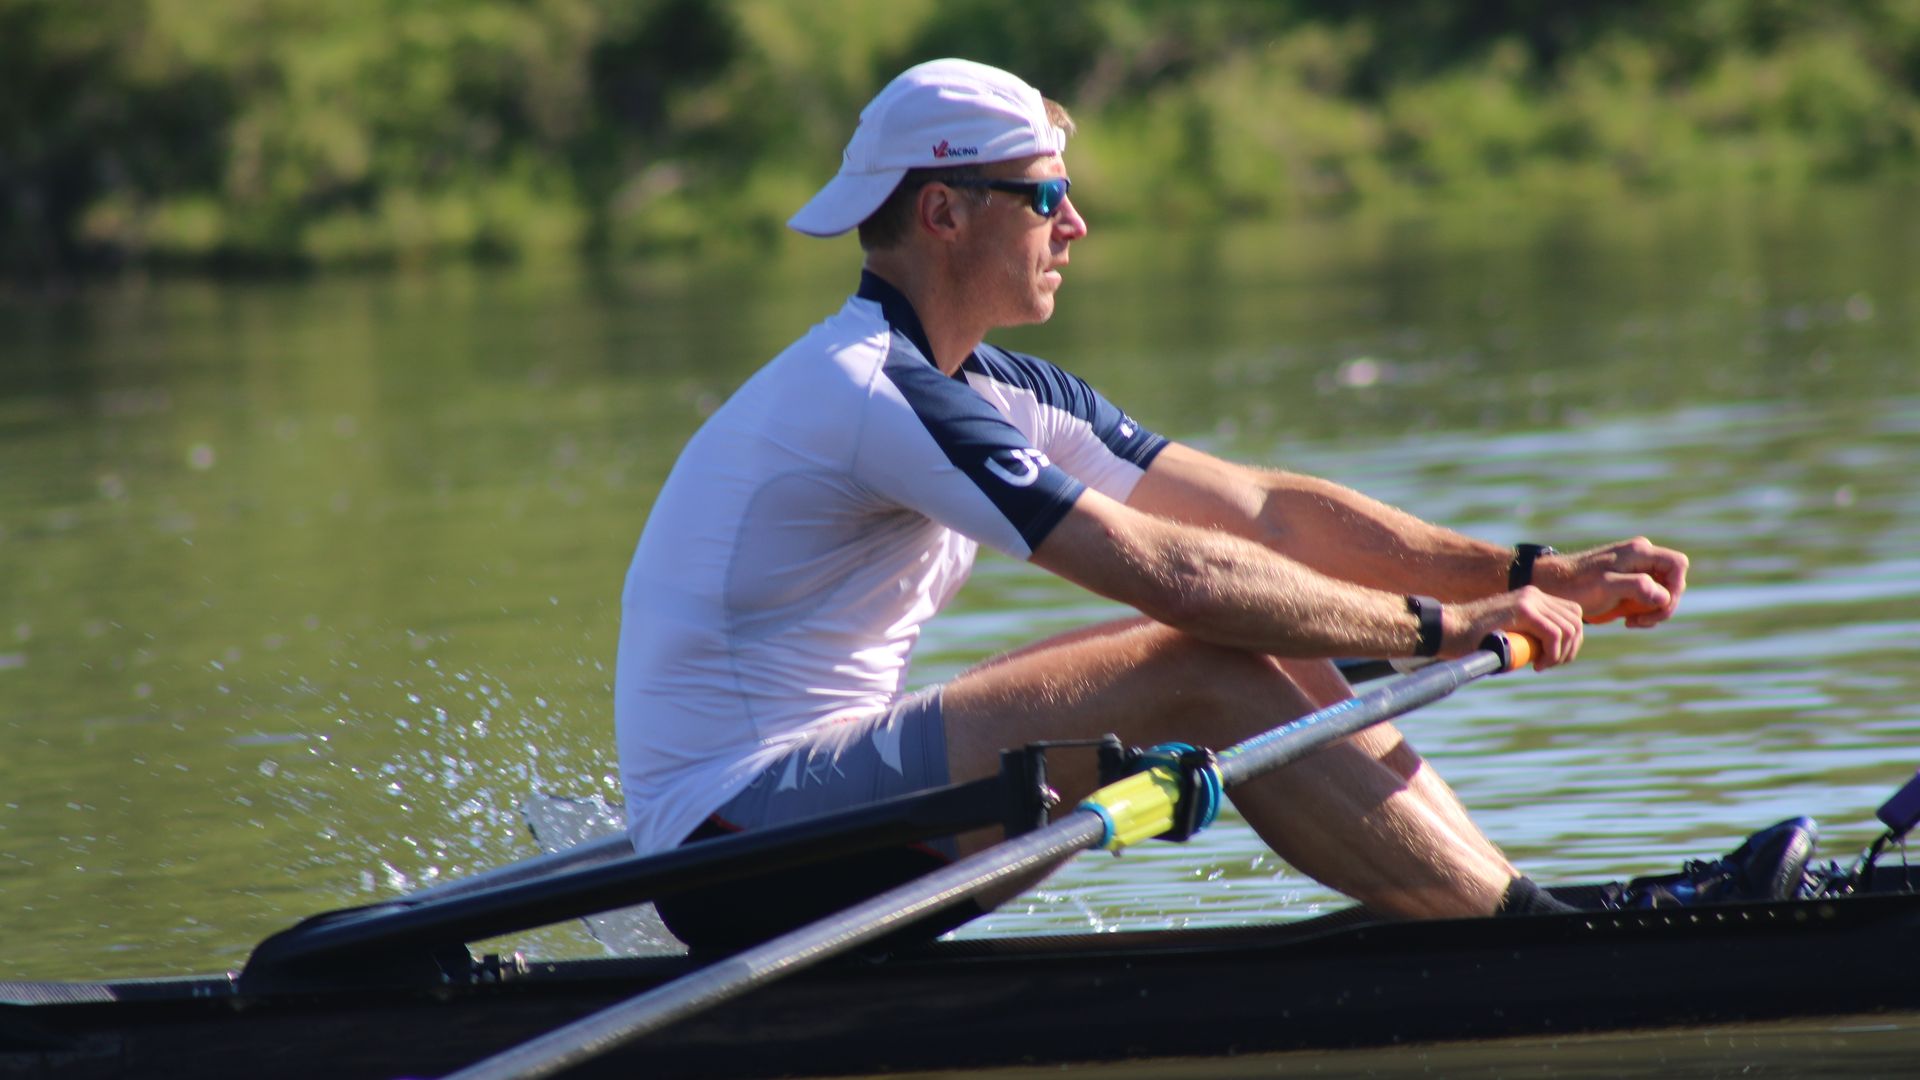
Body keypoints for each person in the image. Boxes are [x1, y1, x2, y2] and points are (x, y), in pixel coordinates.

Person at [613, 58, 1707, 951]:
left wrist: (1531, 576)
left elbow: (1264, 515)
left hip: (822, 794)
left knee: (1278, 637)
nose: (1076, 222)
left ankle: (1511, 910)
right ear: (943, 212)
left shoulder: (991, 384)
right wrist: (1444, 631)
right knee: (1198, 656)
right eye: (1045, 195)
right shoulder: (873, 390)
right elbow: (1170, 574)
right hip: (733, 843)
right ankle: (1541, 947)